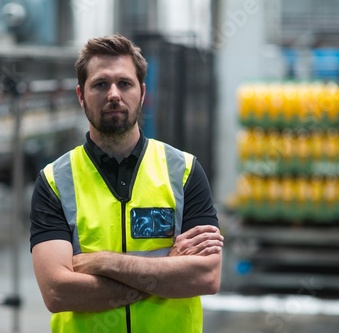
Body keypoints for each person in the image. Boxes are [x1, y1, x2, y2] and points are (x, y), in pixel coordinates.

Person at [30, 34, 223, 333]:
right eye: (100, 84)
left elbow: (206, 278)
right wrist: (166, 274)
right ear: (81, 95)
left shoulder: (184, 171)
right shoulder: (55, 181)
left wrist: (103, 262)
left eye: (124, 83)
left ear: (142, 92)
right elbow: (57, 292)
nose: (113, 94)